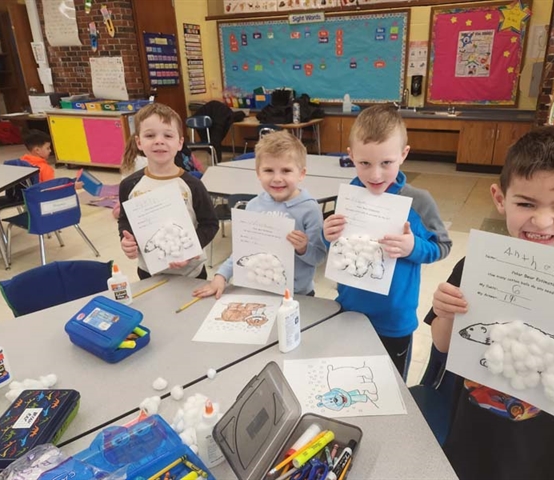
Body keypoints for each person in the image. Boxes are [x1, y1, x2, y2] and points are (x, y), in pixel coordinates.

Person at [426, 126, 554, 480]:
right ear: (500, 198)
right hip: (475, 434)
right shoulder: (474, 267)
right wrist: (444, 312)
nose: (541, 221)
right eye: (525, 203)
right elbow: (444, 344)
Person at [323, 105, 452, 379]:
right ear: (351, 156)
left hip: (394, 320)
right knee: (350, 378)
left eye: (386, 163)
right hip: (349, 310)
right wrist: (329, 235)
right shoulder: (349, 197)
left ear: (403, 155)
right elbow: (338, 251)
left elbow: (442, 246)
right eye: (365, 163)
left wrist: (413, 247)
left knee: (390, 386)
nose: (375, 175)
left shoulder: (419, 201)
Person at [193, 130, 326, 299]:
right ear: (258, 173)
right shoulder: (254, 206)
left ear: (301, 173)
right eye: (269, 170)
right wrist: (221, 276)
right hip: (259, 289)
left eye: (286, 170)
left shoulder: (310, 210)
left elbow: (318, 258)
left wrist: (303, 248)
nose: (277, 178)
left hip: (299, 294)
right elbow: (242, 251)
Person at [118, 103, 219, 280]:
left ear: (180, 143)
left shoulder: (192, 185)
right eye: (150, 135)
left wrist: (190, 248)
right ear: (139, 142)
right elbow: (125, 219)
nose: (159, 141)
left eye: (168, 135)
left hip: (191, 272)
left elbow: (210, 224)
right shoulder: (129, 185)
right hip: (149, 271)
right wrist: (126, 240)